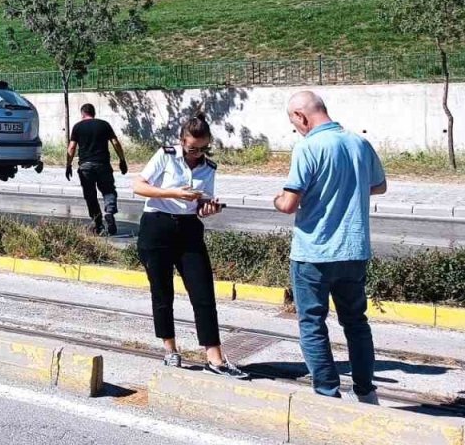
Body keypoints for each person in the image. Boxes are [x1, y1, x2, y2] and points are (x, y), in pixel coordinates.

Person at [273, 91, 386, 405]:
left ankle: (327, 394)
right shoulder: (358, 142)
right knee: (356, 322)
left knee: (312, 323)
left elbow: (289, 203)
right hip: (354, 250)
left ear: (301, 116)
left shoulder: (308, 147)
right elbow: (379, 185)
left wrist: (277, 199)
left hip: (315, 252)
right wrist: (348, 188)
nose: (296, 128)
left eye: (294, 123)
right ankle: (366, 391)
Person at [133, 114, 247, 378]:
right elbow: (138, 185)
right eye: (192, 148)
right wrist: (174, 193)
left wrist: (209, 209)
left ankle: (215, 358)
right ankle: (170, 349)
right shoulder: (166, 155)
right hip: (156, 225)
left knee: (203, 293)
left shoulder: (209, 168)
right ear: (182, 141)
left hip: (188, 230)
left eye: (203, 148)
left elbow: (199, 206)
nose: (197, 153)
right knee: (162, 294)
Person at [65, 104, 128, 235]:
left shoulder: (77, 127)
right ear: (94, 113)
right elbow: (115, 143)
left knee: (90, 195)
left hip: (85, 167)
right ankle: (109, 212)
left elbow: (71, 148)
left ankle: (98, 223)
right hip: (103, 164)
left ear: (83, 114)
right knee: (108, 190)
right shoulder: (104, 125)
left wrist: (68, 165)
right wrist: (122, 160)